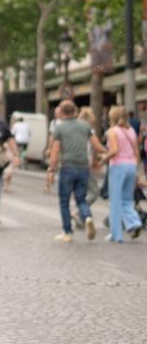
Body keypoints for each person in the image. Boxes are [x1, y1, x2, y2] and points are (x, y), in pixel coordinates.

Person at [45, 100, 105, 242]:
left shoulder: (59, 128)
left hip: (67, 167)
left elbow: (55, 150)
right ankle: (87, 216)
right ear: (75, 111)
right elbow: (97, 146)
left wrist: (51, 169)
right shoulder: (85, 126)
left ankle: (67, 232)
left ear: (62, 112)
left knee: (64, 201)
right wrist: (109, 153)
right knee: (81, 198)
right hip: (83, 167)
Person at [101, 105, 143, 242]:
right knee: (127, 200)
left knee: (115, 201)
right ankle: (134, 222)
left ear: (112, 116)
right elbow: (136, 151)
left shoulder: (112, 131)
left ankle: (116, 234)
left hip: (118, 166)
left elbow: (114, 150)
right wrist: (136, 169)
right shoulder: (131, 130)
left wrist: (104, 159)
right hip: (131, 166)